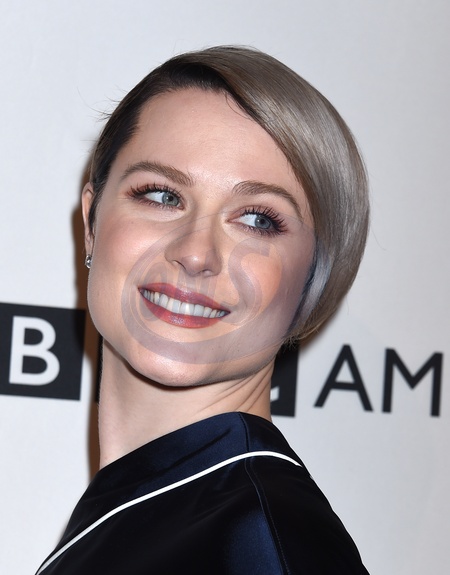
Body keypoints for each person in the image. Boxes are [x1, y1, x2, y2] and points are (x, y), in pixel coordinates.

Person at [36, 46, 370, 574]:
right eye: (162, 195)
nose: (195, 253)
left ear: (315, 276)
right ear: (92, 222)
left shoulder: (262, 543)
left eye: (257, 220)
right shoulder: (152, 511)